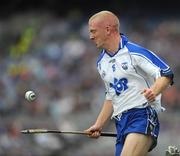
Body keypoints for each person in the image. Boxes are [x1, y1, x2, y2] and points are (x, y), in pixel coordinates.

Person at [85, 10, 174, 156]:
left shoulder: (134, 52)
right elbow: (111, 97)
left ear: (108, 29)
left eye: (93, 31)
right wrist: (98, 125)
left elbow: (165, 73)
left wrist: (154, 91)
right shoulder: (101, 63)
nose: (90, 36)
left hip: (142, 115)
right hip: (121, 123)